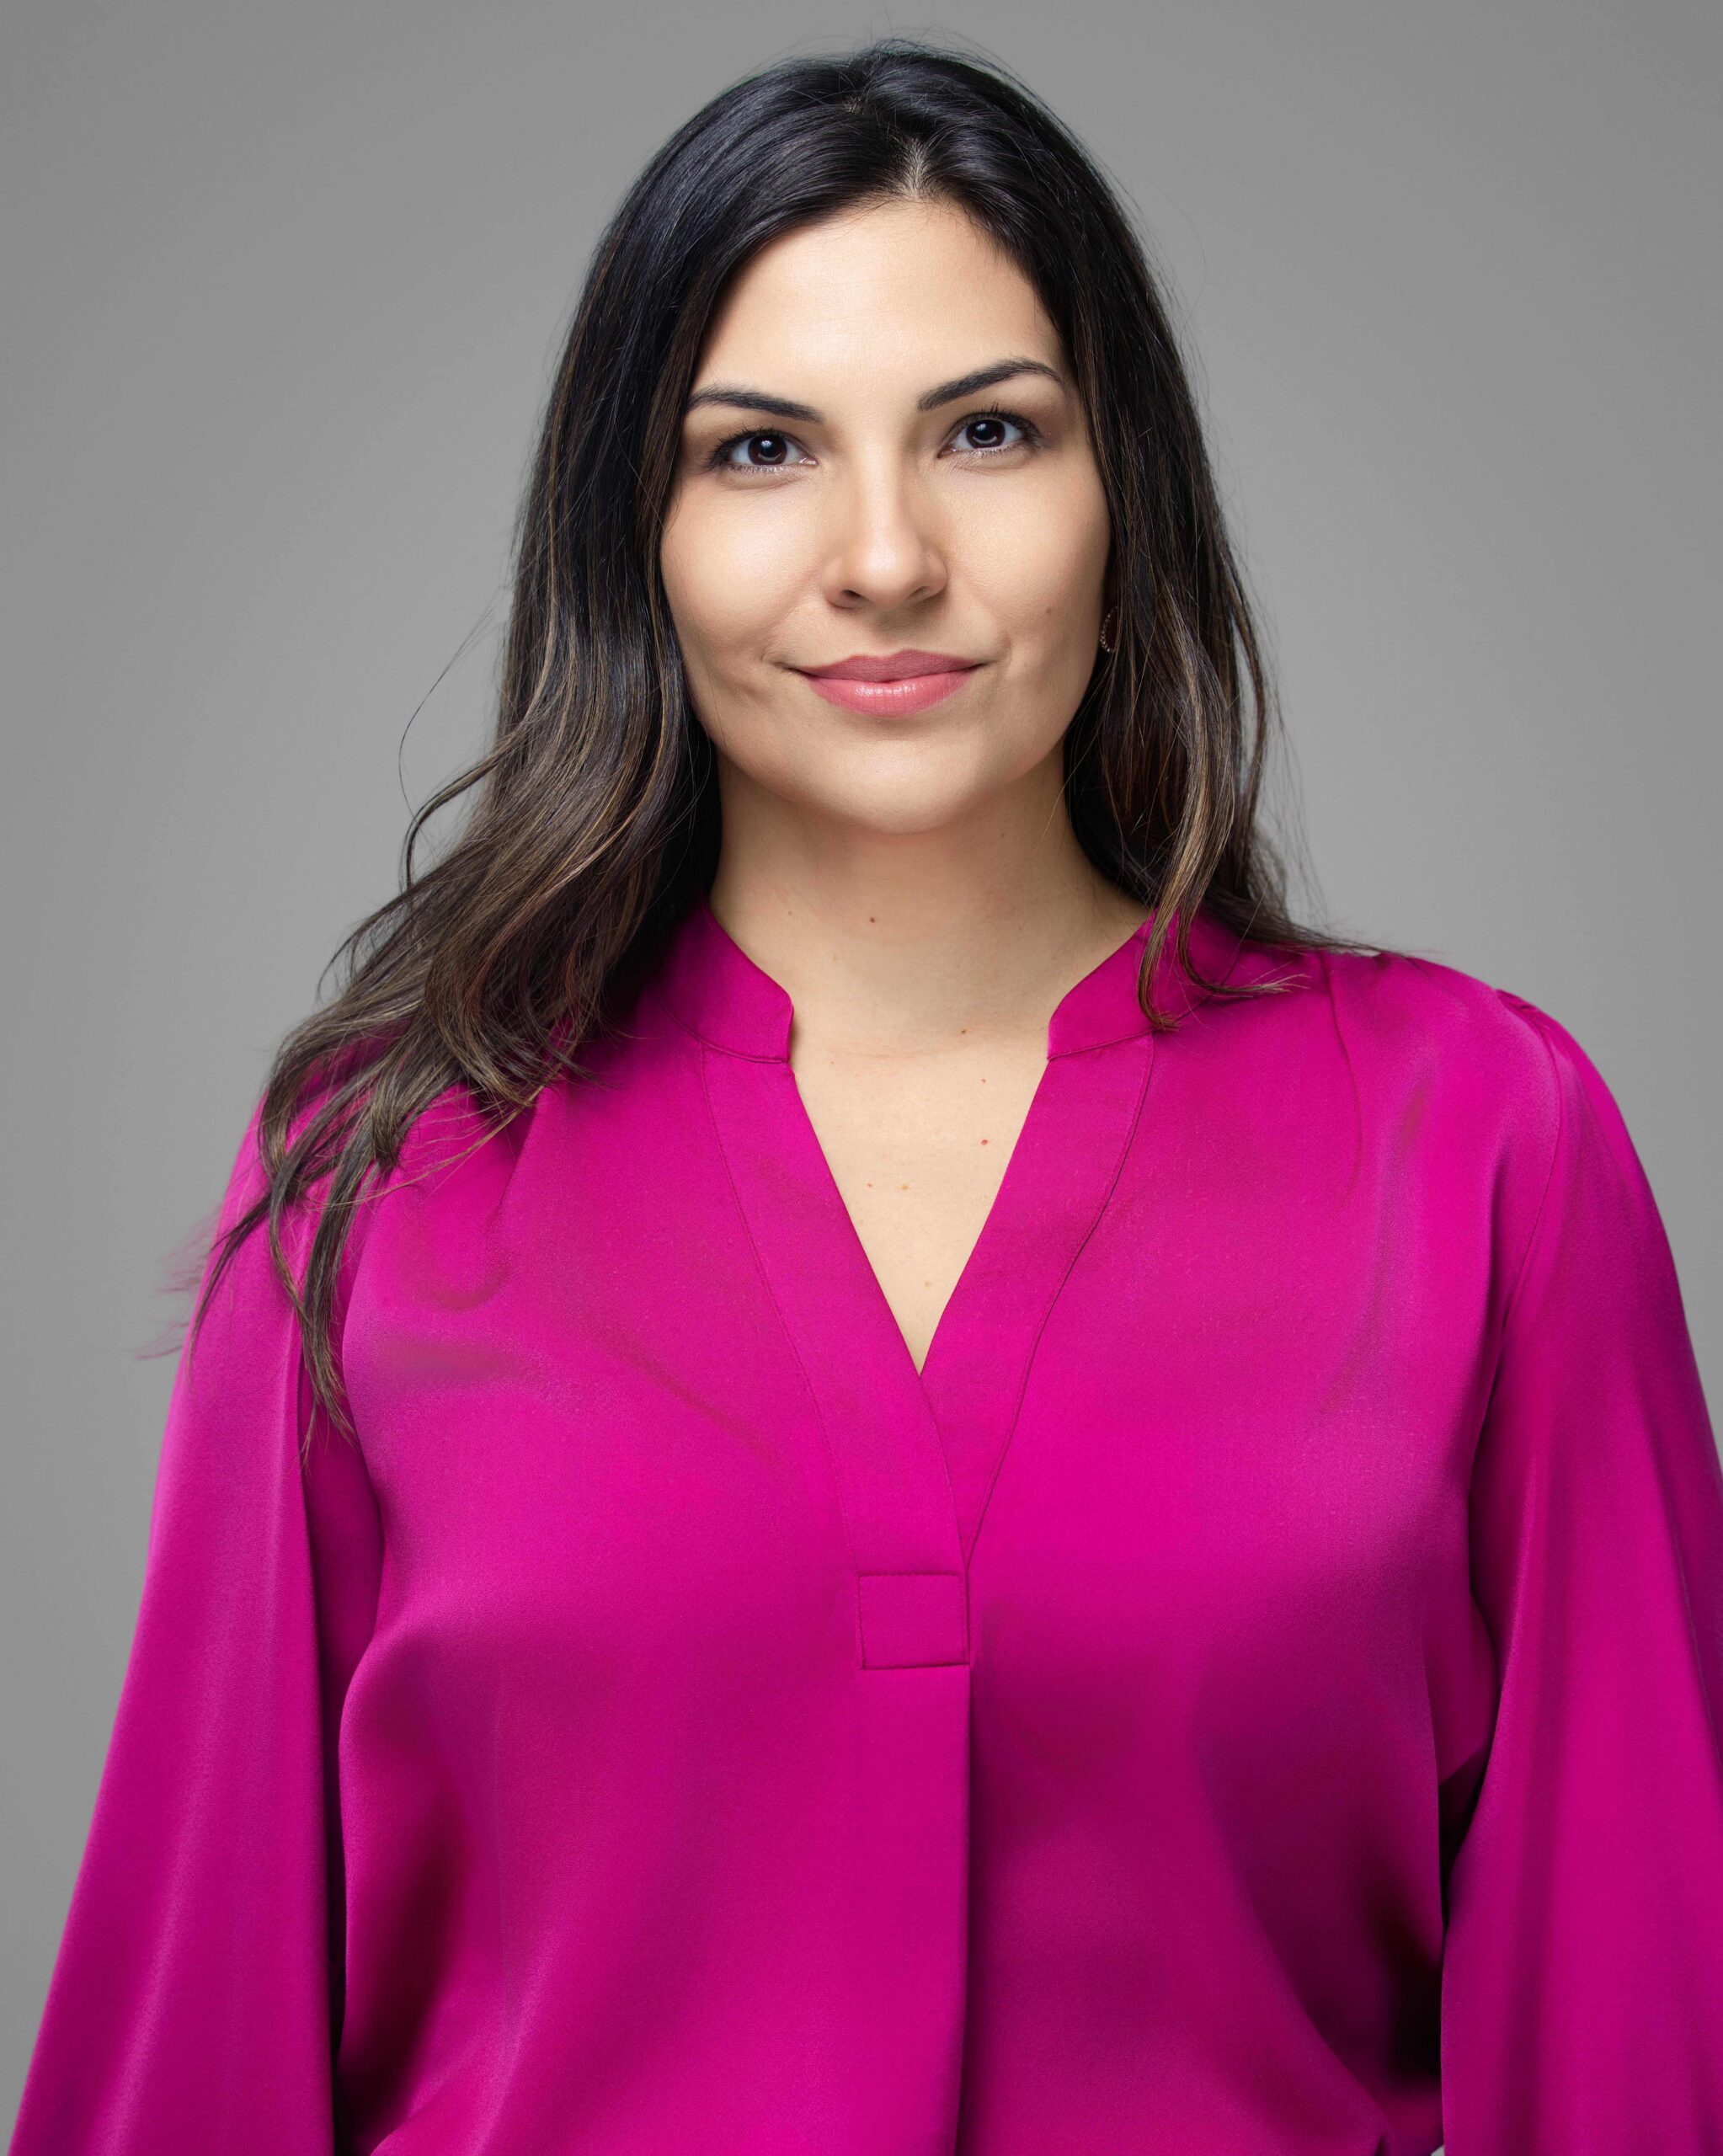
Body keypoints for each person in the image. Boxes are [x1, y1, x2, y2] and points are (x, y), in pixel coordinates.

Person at [12, 36, 1723, 2156]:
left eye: (988, 432)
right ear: (632, 529)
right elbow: (198, 2059)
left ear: (1130, 498)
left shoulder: (1479, 1147)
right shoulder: (386, 1185)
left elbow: (1638, 2036)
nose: (886, 557)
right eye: (760, 453)